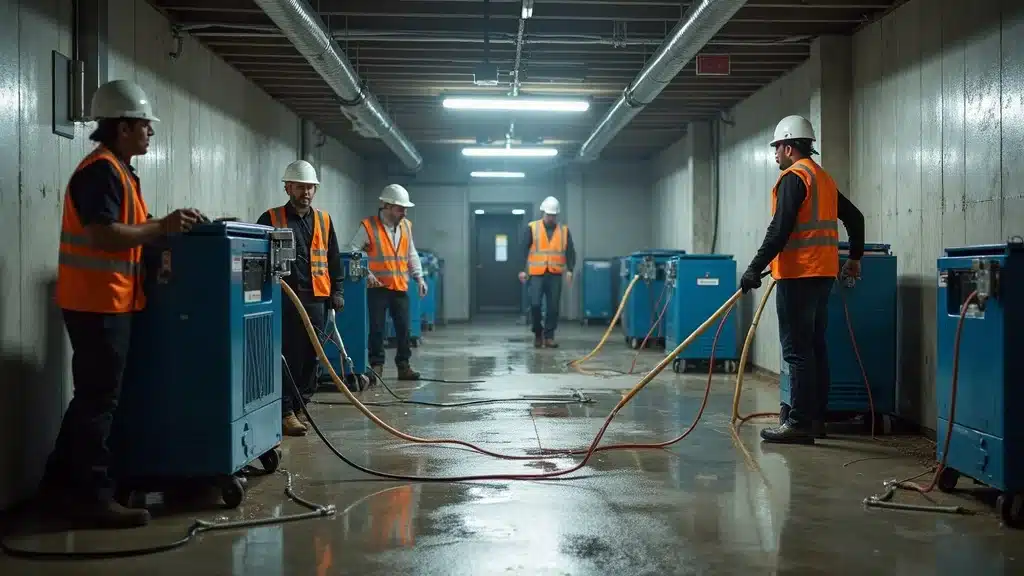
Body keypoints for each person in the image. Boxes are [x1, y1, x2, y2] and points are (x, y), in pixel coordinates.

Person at [42, 79, 203, 528]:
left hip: (110, 301)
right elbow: (104, 235)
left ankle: (57, 489)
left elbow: (129, 228)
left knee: (92, 399)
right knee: (98, 402)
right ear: (123, 126)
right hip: (97, 303)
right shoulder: (100, 172)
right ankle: (92, 497)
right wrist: (161, 227)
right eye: (145, 125)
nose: (151, 132)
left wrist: (167, 226)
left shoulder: (120, 171)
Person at [738, 115, 865, 445]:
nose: (775, 154)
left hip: (798, 276)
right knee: (815, 348)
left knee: (797, 352)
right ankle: (816, 419)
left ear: (789, 147)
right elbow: (856, 218)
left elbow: (778, 230)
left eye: (777, 147)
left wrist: (753, 269)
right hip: (823, 275)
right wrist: (854, 258)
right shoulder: (822, 179)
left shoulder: (795, 178)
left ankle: (799, 423)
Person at [257, 160, 344, 437]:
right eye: (300, 187)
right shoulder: (270, 219)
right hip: (285, 300)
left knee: (312, 357)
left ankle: (300, 404)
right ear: (288, 188)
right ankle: (285, 411)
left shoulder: (324, 220)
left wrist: (337, 291)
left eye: (310, 187)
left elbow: (333, 258)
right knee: (289, 356)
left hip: (316, 299)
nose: (305, 192)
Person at [349, 184, 427, 381]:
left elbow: (411, 254)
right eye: (400, 208)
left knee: (404, 329)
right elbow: (353, 251)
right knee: (377, 329)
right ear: (387, 206)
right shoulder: (369, 226)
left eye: (405, 209)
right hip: (377, 288)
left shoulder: (406, 226)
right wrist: (367, 274)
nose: (404, 212)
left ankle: (404, 366)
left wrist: (419, 278)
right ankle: (377, 367)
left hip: (399, 286)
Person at [518, 196, 576, 348]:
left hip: (555, 274)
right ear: (543, 212)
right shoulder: (532, 228)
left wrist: (570, 270)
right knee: (535, 304)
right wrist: (522, 270)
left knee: (553, 307)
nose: (551, 218)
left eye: (553, 215)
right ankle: (538, 333)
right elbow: (523, 249)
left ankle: (549, 336)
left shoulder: (564, 231)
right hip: (536, 274)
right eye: (548, 215)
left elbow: (570, 251)